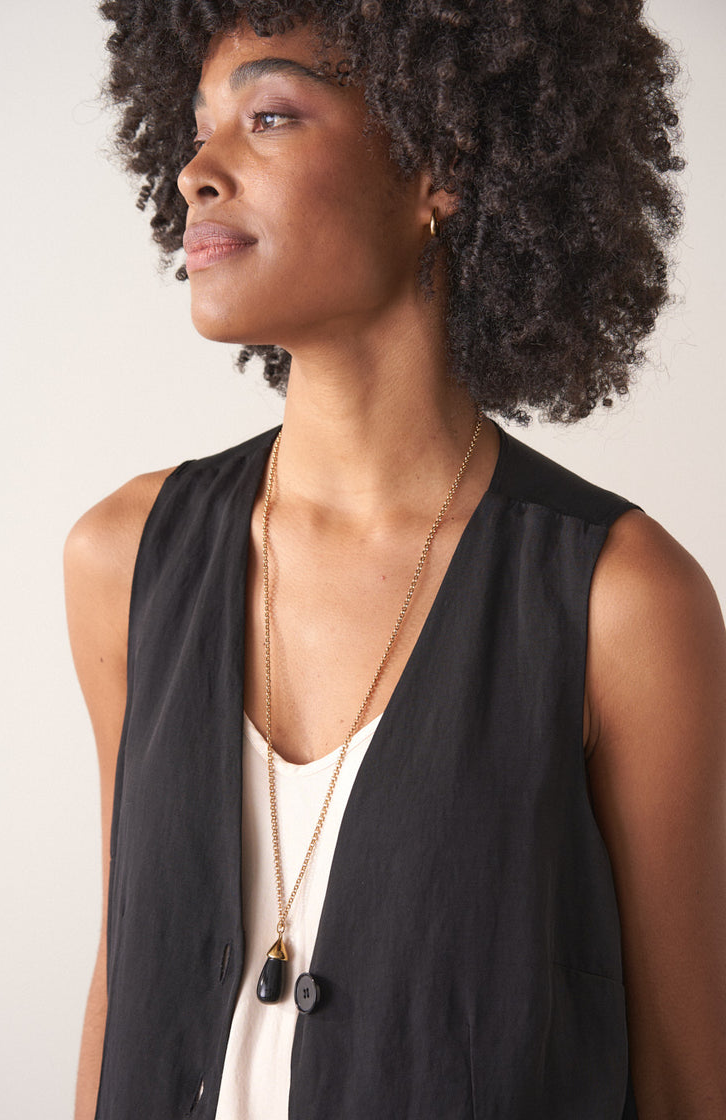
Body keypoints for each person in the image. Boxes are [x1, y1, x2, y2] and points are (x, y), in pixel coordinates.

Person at [64, 2, 726, 1117]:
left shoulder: (619, 600)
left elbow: (681, 1074)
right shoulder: (123, 558)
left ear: (441, 164)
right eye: (191, 129)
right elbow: (125, 976)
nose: (196, 172)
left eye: (267, 115)